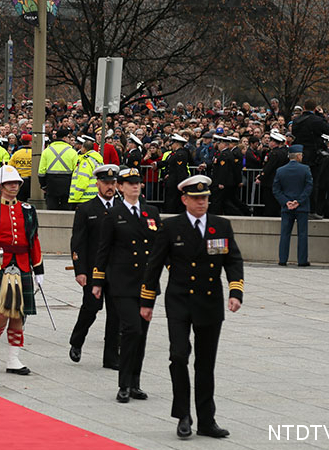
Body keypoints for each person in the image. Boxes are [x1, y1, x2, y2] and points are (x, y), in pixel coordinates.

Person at [141, 174, 244, 439]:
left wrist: (235, 291)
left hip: (209, 303)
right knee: (178, 356)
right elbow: (154, 265)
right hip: (180, 301)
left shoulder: (221, 225)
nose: (202, 203)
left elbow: (233, 260)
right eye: (196, 198)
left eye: (205, 198)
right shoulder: (171, 227)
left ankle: (207, 420)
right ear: (185, 199)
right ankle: (183, 415)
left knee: (206, 364)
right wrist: (147, 301)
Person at [91, 166, 161, 402]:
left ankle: (135, 382)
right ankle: (123, 383)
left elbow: (161, 247)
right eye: (129, 183)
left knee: (141, 334)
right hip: (122, 283)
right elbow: (104, 249)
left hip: (146, 283)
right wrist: (98, 280)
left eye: (137, 183)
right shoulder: (114, 214)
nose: (134, 186)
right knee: (132, 329)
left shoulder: (151, 213)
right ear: (120, 187)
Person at [0, 164, 43, 375]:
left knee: (19, 315)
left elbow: (34, 240)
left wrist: (38, 268)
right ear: (1, 186)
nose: (14, 186)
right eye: (9, 183)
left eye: (16, 183)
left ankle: (14, 359)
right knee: (1, 311)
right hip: (0, 265)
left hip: (22, 263)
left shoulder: (28, 210)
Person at [68, 164, 120, 369]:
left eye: (113, 183)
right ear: (97, 183)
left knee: (116, 313)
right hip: (93, 271)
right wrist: (80, 270)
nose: (110, 187)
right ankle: (77, 341)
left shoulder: (123, 208)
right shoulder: (86, 209)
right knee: (91, 308)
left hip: (116, 270)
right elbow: (78, 242)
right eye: (106, 183)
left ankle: (111, 357)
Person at [272, 144, 312, 266]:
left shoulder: (280, 170)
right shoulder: (305, 169)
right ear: (299, 155)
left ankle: (282, 259)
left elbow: (276, 189)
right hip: (301, 206)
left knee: (285, 234)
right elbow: (308, 187)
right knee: (302, 234)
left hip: (286, 207)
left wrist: (286, 202)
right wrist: (298, 201)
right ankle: (302, 260)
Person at [292, 99, 329, 212]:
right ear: (315, 108)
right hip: (314, 155)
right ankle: (312, 208)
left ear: (303, 108)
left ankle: (297, 206)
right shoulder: (317, 120)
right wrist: (321, 115)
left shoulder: (296, 120)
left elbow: (294, 133)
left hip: (299, 153)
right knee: (313, 182)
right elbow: (328, 130)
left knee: (299, 181)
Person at [38, 128, 77, 210]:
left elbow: (41, 171)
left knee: (51, 208)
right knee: (66, 209)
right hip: (67, 183)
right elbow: (76, 171)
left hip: (51, 183)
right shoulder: (72, 152)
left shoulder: (47, 151)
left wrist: (43, 185)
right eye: (68, 137)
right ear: (64, 138)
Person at [258, 131, 288, 217]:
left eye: (271, 141)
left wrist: (261, 177)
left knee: (270, 201)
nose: (269, 142)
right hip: (279, 180)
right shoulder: (283, 152)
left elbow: (269, 167)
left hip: (270, 181)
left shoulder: (274, 153)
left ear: (274, 142)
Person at [68, 136, 102, 205]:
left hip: (83, 198)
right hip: (93, 196)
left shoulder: (86, 161)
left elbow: (83, 179)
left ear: (84, 149)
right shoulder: (97, 160)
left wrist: (76, 196)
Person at [8, 134, 32, 201]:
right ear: (30, 142)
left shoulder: (16, 153)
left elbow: (10, 167)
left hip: (20, 181)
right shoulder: (34, 153)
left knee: (20, 201)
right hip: (31, 182)